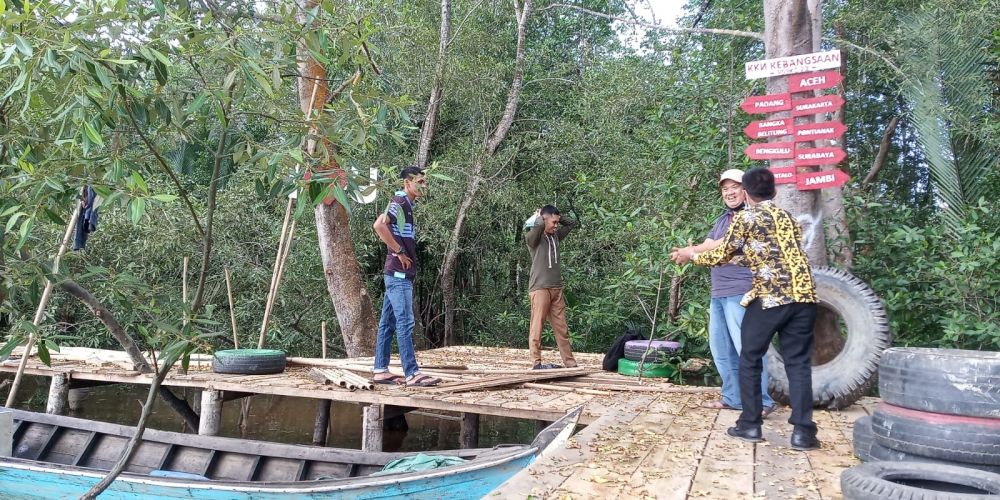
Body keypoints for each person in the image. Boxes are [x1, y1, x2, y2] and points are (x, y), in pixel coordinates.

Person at [671, 168, 820, 451]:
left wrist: (691, 256)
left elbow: (722, 252)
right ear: (774, 193)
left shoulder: (746, 217)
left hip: (770, 297)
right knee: (798, 365)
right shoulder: (787, 217)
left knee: (750, 357)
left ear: (747, 194)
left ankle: (750, 425)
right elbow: (769, 254)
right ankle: (804, 433)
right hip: (804, 296)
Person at [692, 169, 776, 418]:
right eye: (724, 188)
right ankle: (733, 398)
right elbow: (709, 245)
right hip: (719, 292)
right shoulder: (723, 218)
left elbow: (727, 243)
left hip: (743, 290)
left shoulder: (751, 216)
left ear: (746, 190)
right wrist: (692, 251)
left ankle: (762, 401)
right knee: (721, 348)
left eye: (734, 187)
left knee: (748, 348)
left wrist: (691, 252)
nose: (729, 192)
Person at [371, 166, 441, 387]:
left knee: (388, 322)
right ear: (407, 184)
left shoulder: (406, 205)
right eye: (419, 182)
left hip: (397, 274)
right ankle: (412, 373)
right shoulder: (400, 202)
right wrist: (399, 252)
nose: (424, 186)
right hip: (398, 274)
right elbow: (379, 226)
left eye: (424, 182)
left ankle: (380, 370)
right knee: (405, 321)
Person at [525, 205, 578, 370]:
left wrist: (558, 217)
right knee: (537, 325)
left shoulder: (556, 236)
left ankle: (570, 363)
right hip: (539, 287)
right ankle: (536, 363)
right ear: (543, 219)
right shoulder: (534, 237)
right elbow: (536, 227)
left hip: (556, 288)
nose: (556, 225)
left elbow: (572, 224)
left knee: (562, 327)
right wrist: (540, 217)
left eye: (557, 222)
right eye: (553, 222)